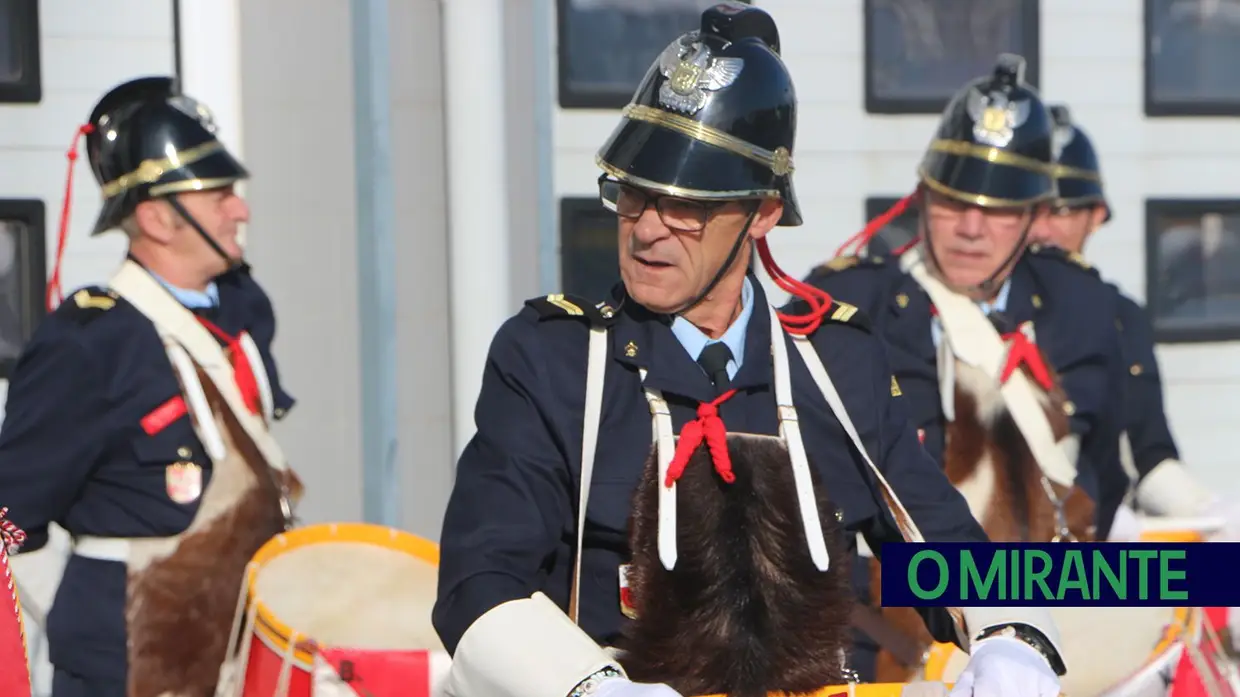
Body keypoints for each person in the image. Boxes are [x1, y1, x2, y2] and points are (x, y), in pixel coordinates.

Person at [433, 6, 1067, 697]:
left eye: (687, 204)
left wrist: (1016, 640)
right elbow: (478, 581)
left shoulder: (838, 362)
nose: (647, 228)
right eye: (634, 194)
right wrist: (596, 689)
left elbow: (943, 542)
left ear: (763, 212)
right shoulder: (551, 358)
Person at [800, 55, 1127, 681]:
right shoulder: (848, 305)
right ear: (921, 197)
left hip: (1055, 614)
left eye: (1000, 210)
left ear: (1034, 218)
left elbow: (1107, 468)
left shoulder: (1080, 304)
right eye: (953, 202)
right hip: (898, 630)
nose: (971, 229)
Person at [0, 76, 298, 697]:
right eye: (216, 195)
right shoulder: (88, 341)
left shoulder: (243, 310)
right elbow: (11, 519)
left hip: (239, 652)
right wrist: (87, 620)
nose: (239, 209)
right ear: (157, 217)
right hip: (126, 663)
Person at [1031, 104, 1240, 650]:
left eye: (1062, 209)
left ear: (1095, 214)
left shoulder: (1120, 313)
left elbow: (1150, 452)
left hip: (1101, 537)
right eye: (1033, 209)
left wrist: (1212, 516)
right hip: (1004, 546)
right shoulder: (984, 302)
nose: (1044, 226)